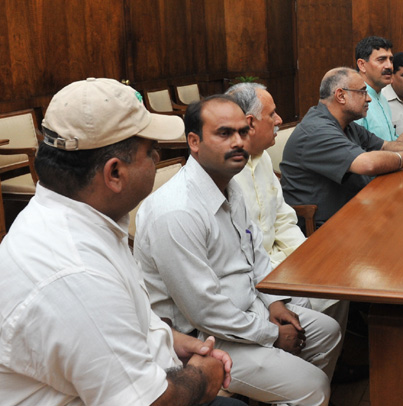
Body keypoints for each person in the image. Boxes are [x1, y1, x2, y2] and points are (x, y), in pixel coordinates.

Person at [0, 78, 241, 406]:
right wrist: (204, 374)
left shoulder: (79, 216)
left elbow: (112, 324)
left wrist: (169, 339)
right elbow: (150, 402)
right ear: (114, 173)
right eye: (148, 151)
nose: (157, 156)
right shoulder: (77, 273)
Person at [133, 95, 342, 405]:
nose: (239, 142)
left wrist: (275, 303)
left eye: (243, 132)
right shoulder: (177, 211)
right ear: (194, 141)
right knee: (314, 387)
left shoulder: (230, 184)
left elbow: (256, 253)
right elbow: (204, 311)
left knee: (328, 331)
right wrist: (272, 335)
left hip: (248, 311)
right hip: (204, 338)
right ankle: (297, 391)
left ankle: (279, 391)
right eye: (224, 133)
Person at [225, 82, 347, 330]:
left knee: (338, 283)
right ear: (250, 123)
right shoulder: (224, 172)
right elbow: (240, 251)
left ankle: (326, 359)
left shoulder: (263, 158)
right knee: (314, 305)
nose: (279, 119)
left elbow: (283, 218)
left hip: (280, 261)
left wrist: (306, 260)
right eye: (272, 114)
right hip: (251, 276)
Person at [280, 67, 403, 230]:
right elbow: (367, 164)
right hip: (326, 227)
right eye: (363, 92)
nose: (369, 99)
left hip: (357, 210)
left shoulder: (346, 124)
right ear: (341, 96)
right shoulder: (317, 130)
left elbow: (385, 145)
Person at [353, 36, 403, 141]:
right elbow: (358, 152)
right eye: (381, 60)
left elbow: (388, 142)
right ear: (362, 65)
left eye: (391, 60)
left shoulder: (382, 98)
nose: (389, 66)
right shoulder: (354, 100)